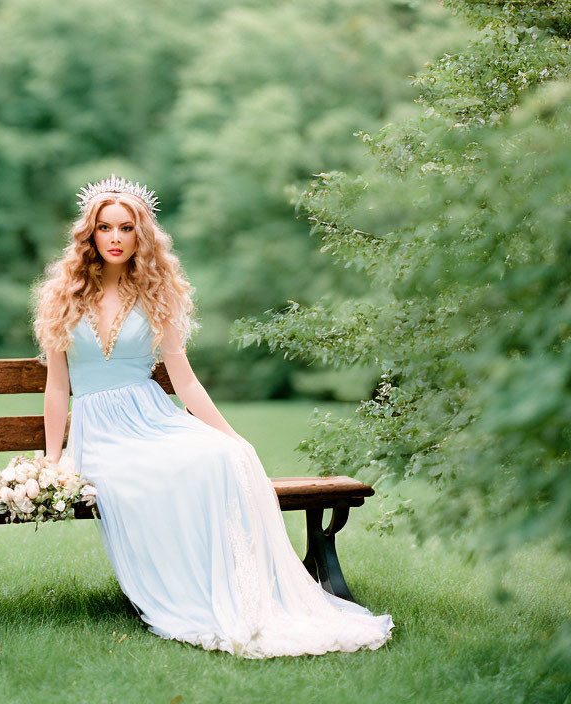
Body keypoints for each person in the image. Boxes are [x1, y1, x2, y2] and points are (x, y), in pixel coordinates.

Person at [30, 173, 394, 658]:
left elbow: (184, 381)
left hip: (153, 417)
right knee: (150, 474)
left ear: (142, 235)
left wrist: (230, 434)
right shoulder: (63, 298)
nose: (115, 238)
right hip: (100, 432)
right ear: (89, 234)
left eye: (126, 228)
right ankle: (185, 589)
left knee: (219, 456)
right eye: (105, 228)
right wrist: (54, 460)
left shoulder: (156, 293)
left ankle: (232, 588)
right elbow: (57, 387)